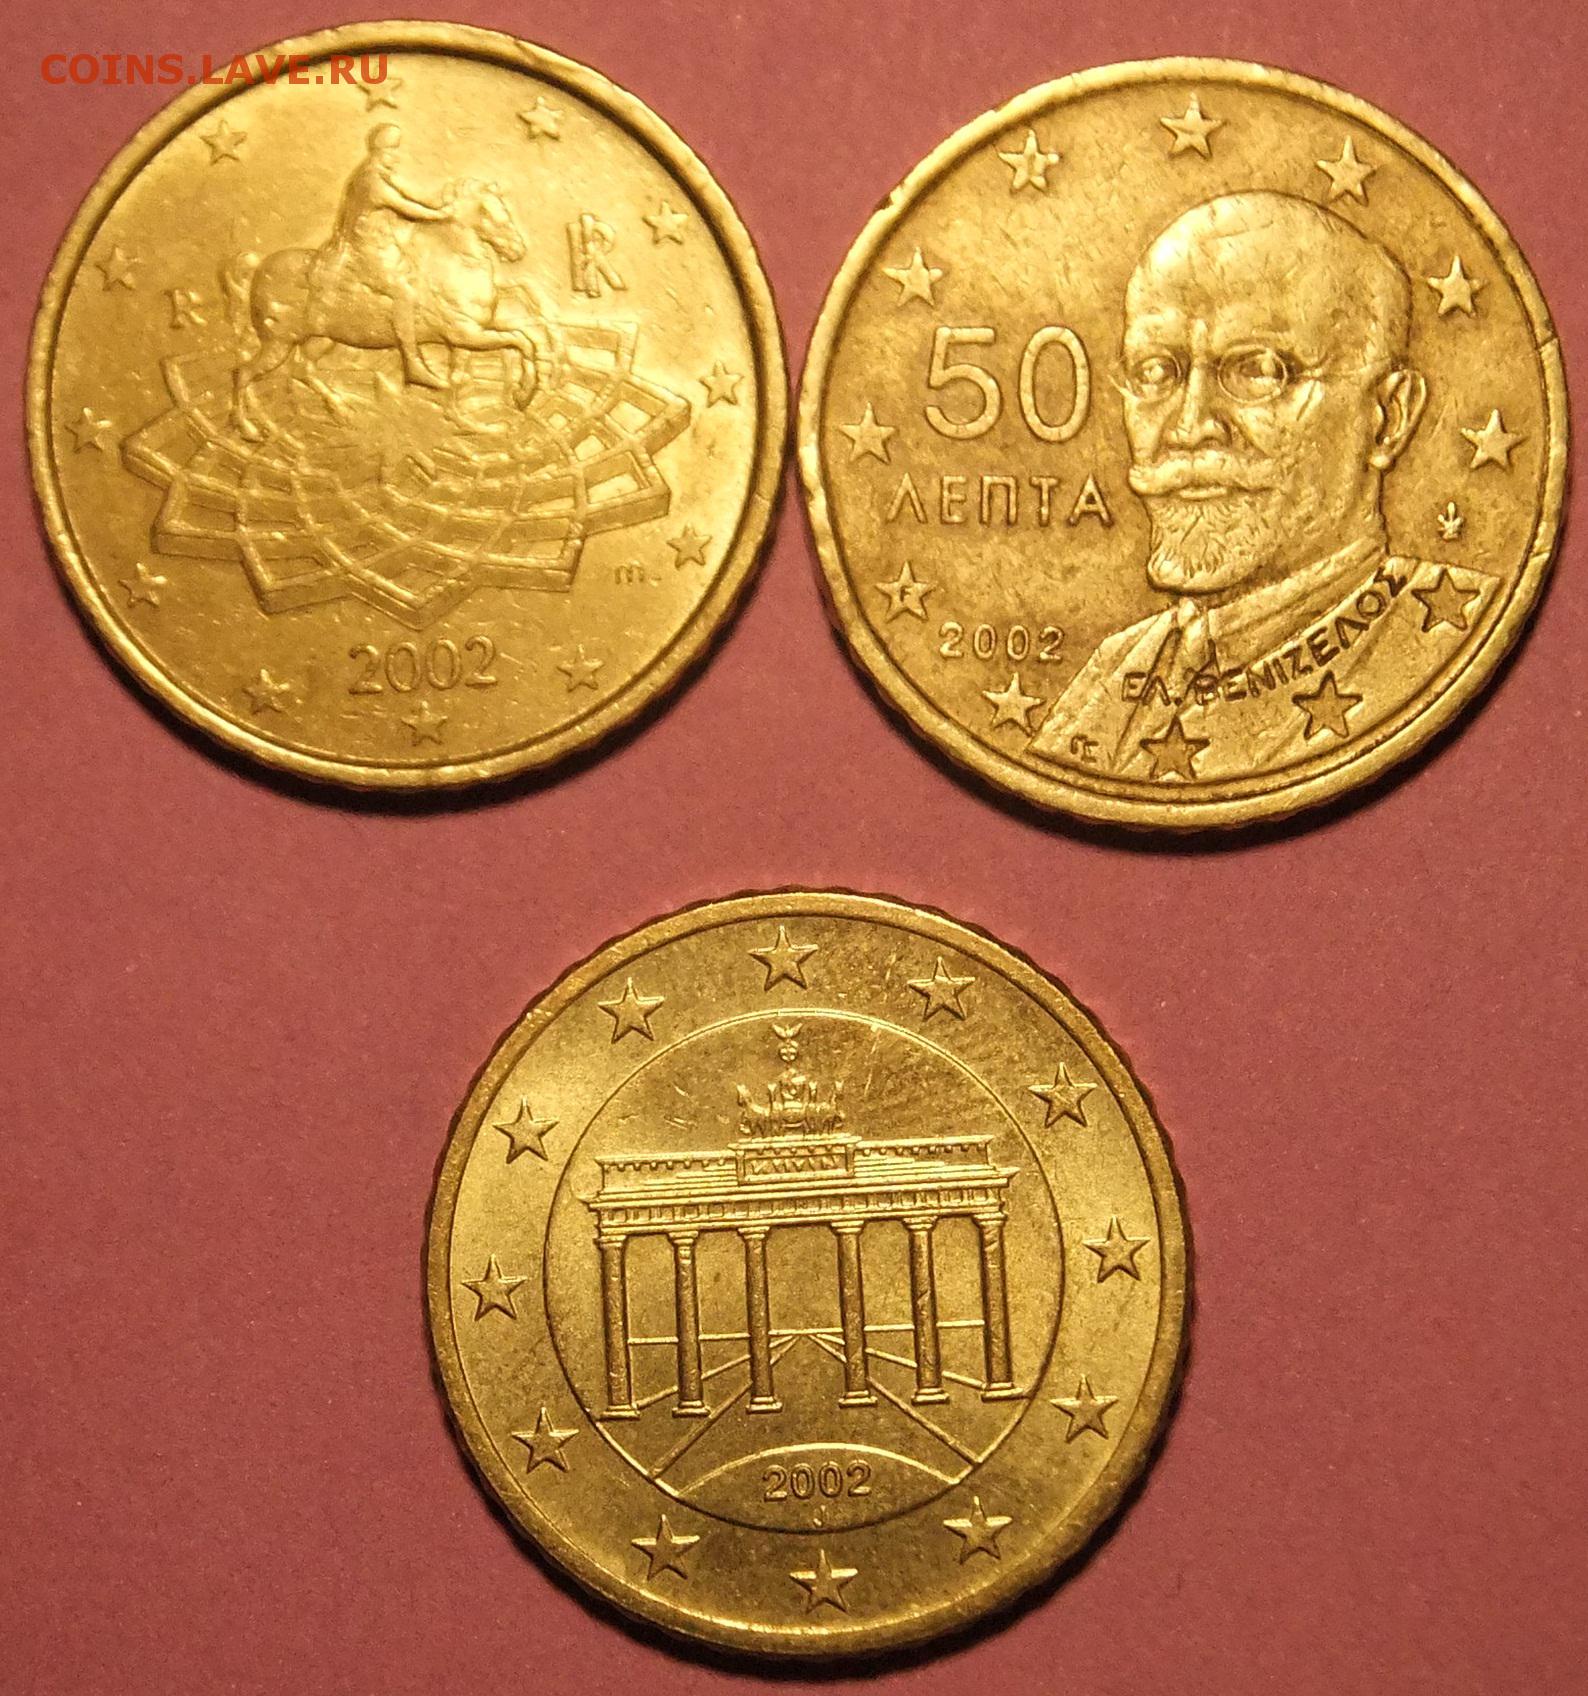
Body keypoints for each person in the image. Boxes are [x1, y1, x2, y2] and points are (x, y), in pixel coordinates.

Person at [1030, 191, 1495, 781]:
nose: (1190, 426)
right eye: (1155, 371)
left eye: (1257, 370)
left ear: (1387, 418)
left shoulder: (1442, 640)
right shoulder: (1110, 674)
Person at [307, 124, 453, 388]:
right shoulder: (371, 182)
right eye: (393, 150)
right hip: (365, 251)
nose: (397, 156)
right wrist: (440, 216)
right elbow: (405, 206)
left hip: (384, 247)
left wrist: (443, 201)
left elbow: (413, 194)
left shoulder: (384, 176)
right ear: (380, 151)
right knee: (403, 292)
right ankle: (412, 363)